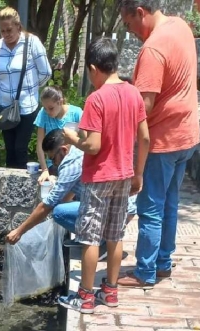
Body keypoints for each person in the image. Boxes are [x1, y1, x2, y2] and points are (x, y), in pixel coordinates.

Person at [57, 38, 150, 314]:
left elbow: (94, 146)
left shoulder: (96, 99)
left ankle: (84, 297)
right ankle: (110, 292)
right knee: (115, 235)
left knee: (89, 237)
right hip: (123, 175)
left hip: (99, 178)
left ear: (94, 68)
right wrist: (139, 173)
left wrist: (73, 138)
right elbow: (144, 137)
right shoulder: (134, 93)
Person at [116, 0, 200, 288]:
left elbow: (144, 108)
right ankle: (163, 262)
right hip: (187, 136)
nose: (132, 32)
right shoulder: (181, 27)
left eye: (129, 24)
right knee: (170, 203)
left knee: (150, 207)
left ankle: (145, 271)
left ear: (140, 13)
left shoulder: (152, 48)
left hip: (163, 141)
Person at [5, 129, 137, 258]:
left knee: (59, 212)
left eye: (53, 159)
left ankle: (100, 241)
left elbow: (48, 205)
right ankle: (96, 236)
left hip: (116, 209)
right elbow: (68, 193)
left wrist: (19, 231)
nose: (54, 164)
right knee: (63, 207)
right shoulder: (79, 149)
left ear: (63, 150)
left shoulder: (70, 165)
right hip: (122, 204)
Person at [0, 7, 51, 170]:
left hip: (26, 107)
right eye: (2, 31)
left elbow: (45, 72)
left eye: (9, 29)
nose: (6, 34)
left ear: (18, 26)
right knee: (9, 149)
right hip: (5, 107)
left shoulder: (32, 43)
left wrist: (30, 87)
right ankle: (8, 187)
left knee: (20, 148)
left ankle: (22, 188)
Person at [34, 87, 83, 184]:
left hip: (73, 162)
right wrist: (44, 170)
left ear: (60, 102)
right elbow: (39, 144)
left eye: (51, 108)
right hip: (53, 162)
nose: (48, 112)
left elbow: (85, 139)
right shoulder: (43, 114)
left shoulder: (76, 113)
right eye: (45, 108)